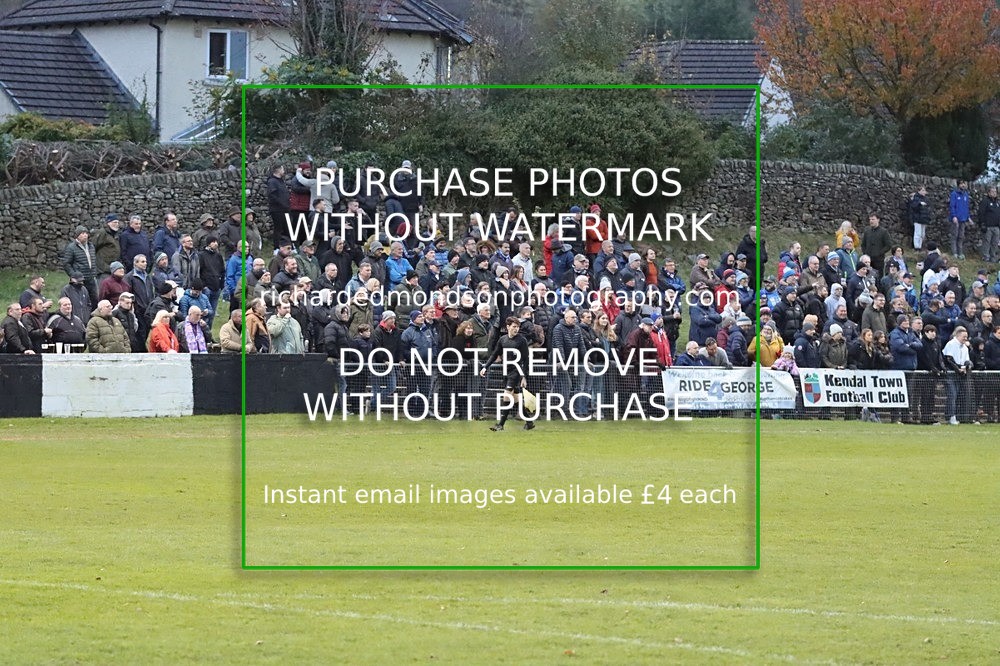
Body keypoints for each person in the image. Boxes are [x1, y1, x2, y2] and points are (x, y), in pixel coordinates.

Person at [481, 317, 534, 431]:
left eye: (518, 327)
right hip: (506, 371)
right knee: (516, 399)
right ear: (508, 327)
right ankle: (529, 422)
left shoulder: (521, 340)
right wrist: (485, 367)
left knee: (507, 396)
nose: (516, 329)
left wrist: (524, 376)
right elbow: (495, 354)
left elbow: (526, 359)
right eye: (514, 326)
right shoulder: (503, 339)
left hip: (516, 371)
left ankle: (500, 424)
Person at [942, 326, 973, 425]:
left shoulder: (965, 347)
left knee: (958, 395)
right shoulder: (951, 344)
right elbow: (949, 359)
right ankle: (951, 416)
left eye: (966, 337)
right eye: (964, 336)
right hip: (950, 373)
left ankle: (957, 415)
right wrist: (957, 369)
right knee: (952, 395)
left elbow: (966, 360)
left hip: (960, 374)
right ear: (958, 335)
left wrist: (966, 366)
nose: (965, 338)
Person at [62, 225, 98, 307]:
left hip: (91, 278)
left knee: (94, 300)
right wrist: (73, 275)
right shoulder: (71, 247)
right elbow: (66, 263)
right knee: (80, 301)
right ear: (77, 235)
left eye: (86, 233)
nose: (85, 235)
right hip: (79, 279)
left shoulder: (91, 246)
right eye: (82, 233)